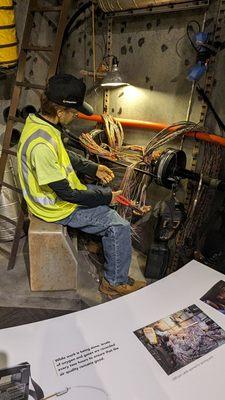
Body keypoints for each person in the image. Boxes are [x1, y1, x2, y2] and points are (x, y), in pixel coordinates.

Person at [17, 74, 146, 296]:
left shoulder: (41, 124)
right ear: (60, 112)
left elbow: (64, 156)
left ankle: (96, 243)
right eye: (74, 111)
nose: (76, 115)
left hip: (61, 197)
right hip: (55, 207)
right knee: (119, 225)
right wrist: (107, 197)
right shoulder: (41, 145)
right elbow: (68, 194)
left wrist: (92, 168)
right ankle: (114, 282)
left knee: (104, 200)